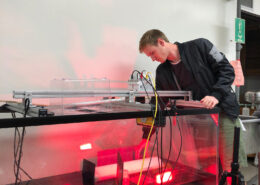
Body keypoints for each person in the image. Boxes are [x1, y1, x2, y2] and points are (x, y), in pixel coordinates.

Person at [138, 29, 247, 176]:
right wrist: (146, 137)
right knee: (208, 168)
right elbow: (158, 103)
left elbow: (226, 70)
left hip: (223, 112)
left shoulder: (200, 46)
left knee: (230, 166)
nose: (152, 58)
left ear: (161, 42)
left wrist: (215, 95)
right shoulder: (162, 72)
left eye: (152, 53)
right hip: (199, 122)